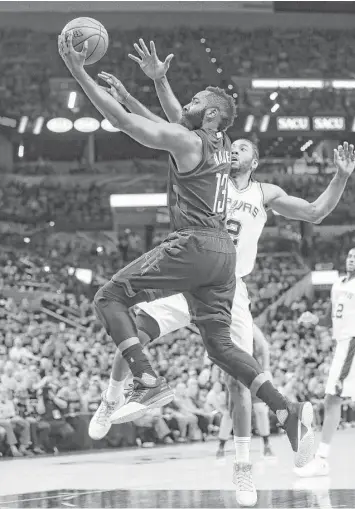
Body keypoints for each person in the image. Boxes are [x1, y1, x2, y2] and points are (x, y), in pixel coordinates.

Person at [59, 33, 318, 472]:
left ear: (212, 113)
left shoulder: (194, 143)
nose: (189, 100)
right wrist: (155, 84)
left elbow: (131, 125)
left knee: (110, 297)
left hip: (194, 243)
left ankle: (145, 380)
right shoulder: (219, 145)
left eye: (198, 98)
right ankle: (287, 411)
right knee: (220, 349)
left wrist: (79, 72)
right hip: (223, 261)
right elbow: (175, 121)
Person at [296, 247, 355, 477]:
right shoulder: (338, 284)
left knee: (331, 399)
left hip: (354, 343)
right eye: (349, 256)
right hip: (343, 344)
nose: (351, 260)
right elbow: (330, 319)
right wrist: (314, 319)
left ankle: (322, 459)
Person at [216, 323, 275, 461]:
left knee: (260, 409)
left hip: (253, 372)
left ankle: (266, 445)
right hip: (232, 373)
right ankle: (221, 447)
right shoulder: (221, 325)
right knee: (230, 413)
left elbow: (264, 347)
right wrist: (217, 381)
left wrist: (266, 369)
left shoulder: (249, 325)